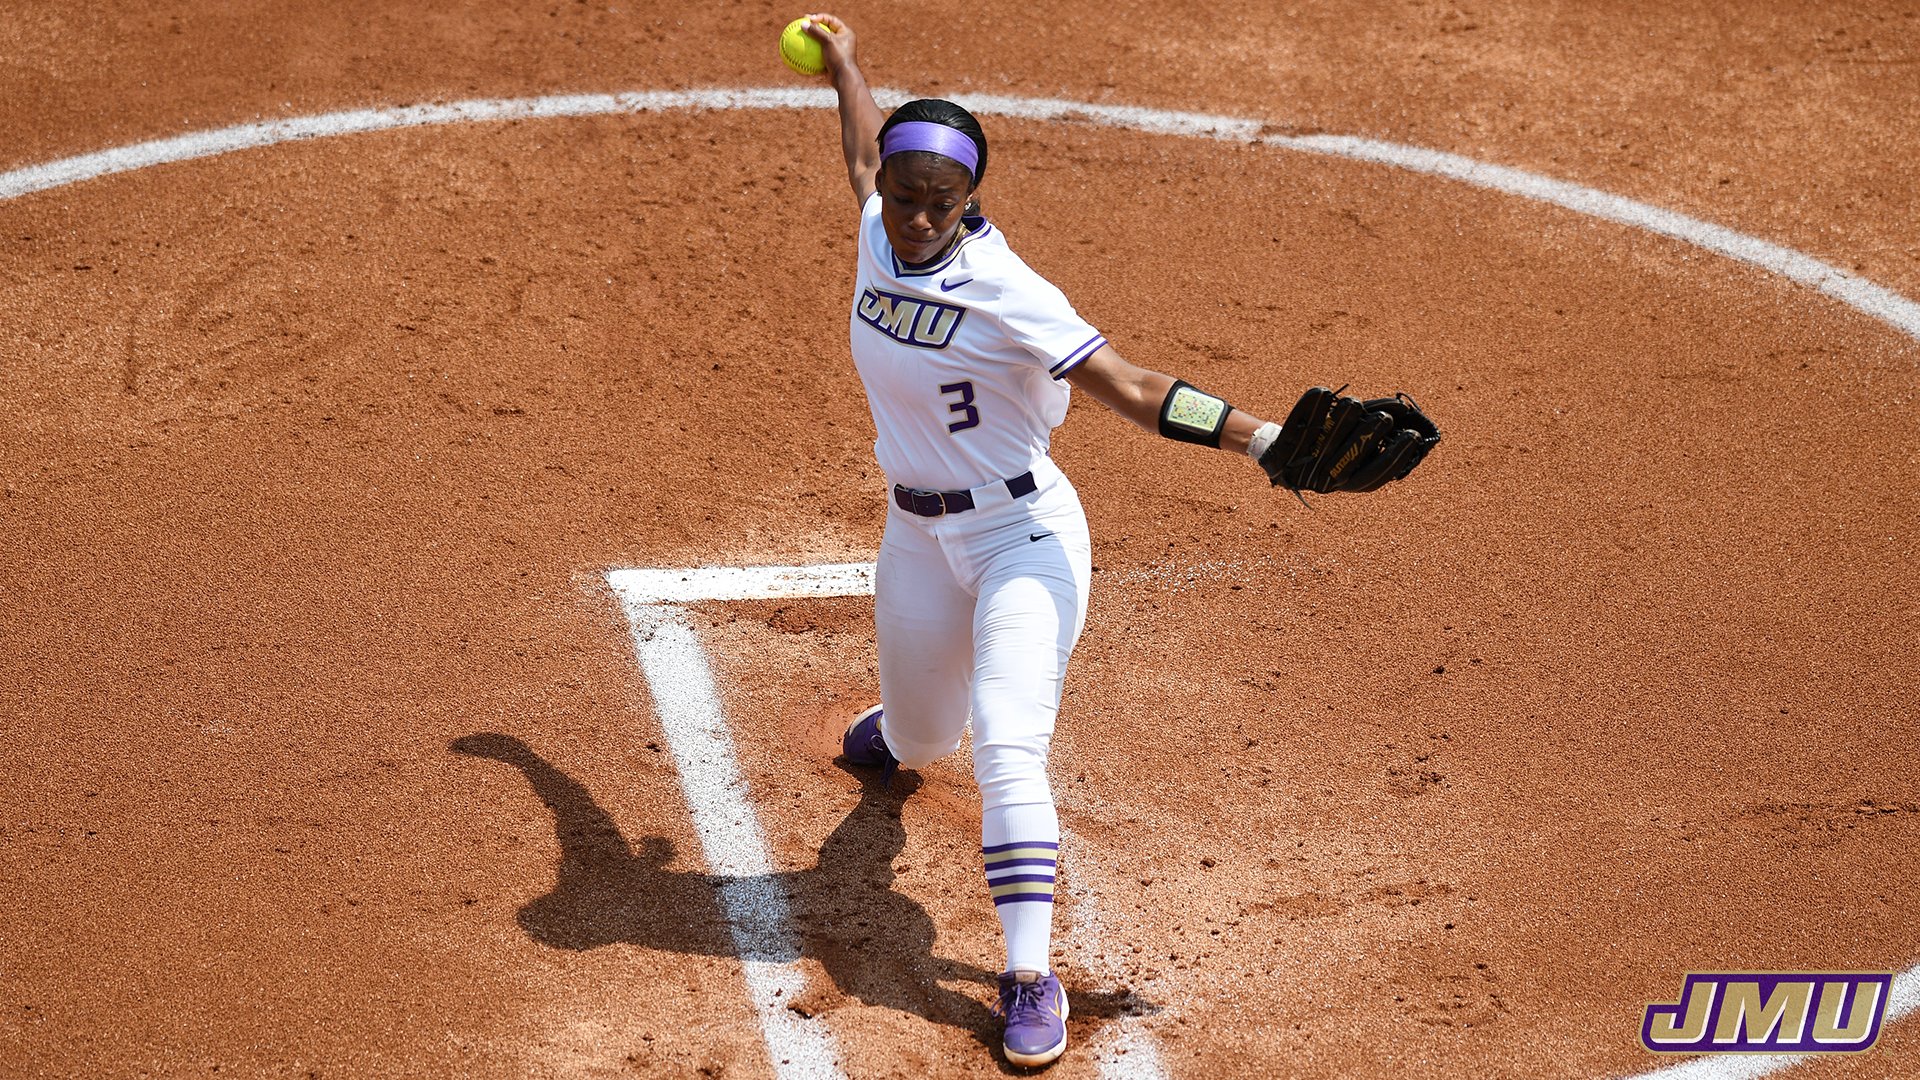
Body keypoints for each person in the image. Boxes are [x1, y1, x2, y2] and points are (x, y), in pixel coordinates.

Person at [803, 14, 1291, 1069]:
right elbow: (857, 148)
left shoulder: (1008, 291)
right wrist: (846, 66)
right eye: (905, 196)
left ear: (972, 199)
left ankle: (1028, 973)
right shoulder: (877, 221)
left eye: (942, 203)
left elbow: (1134, 388)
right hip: (914, 533)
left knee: (1005, 743)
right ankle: (902, 725)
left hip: (1025, 534)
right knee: (924, 744)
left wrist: (1264, 441)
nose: (920, 219)